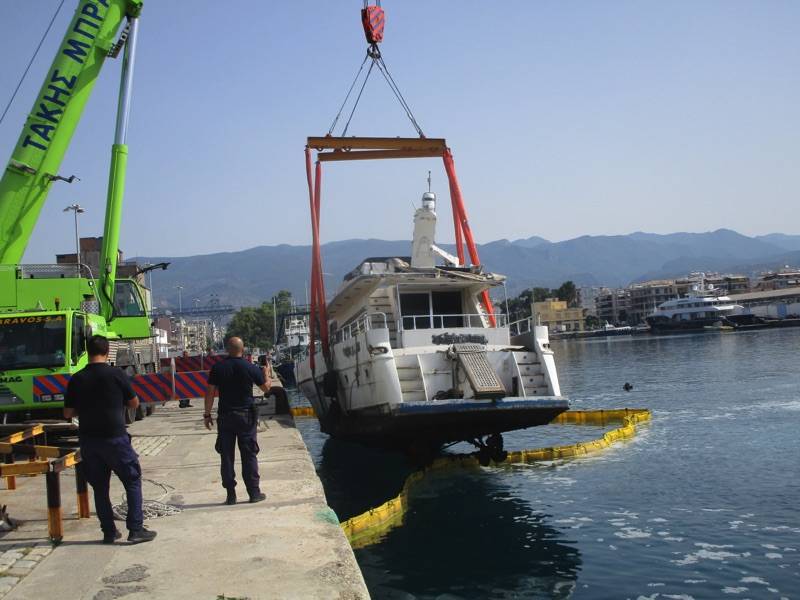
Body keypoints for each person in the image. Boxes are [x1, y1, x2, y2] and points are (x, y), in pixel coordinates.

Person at [64, 335, 157, 544]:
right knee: (132, 481)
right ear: (107, 352)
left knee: (100, 488)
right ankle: (135, 529)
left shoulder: (77, 378)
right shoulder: (117, 374)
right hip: (115, 439)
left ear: (87, 352)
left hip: (89, 441)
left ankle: (108, 532)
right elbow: (134, 403)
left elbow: (68, 412)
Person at [204, 337, 271, 505]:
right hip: (246, 416)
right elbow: (266, 388)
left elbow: (210, 392)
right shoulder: (250, 367)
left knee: (226, 456)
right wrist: (267, 374)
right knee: (249, 454)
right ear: (243, 349)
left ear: (227, 349)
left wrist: (207, 414)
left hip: (225, 417)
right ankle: (254, 493)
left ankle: (231, 495)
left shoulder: (218, 368)